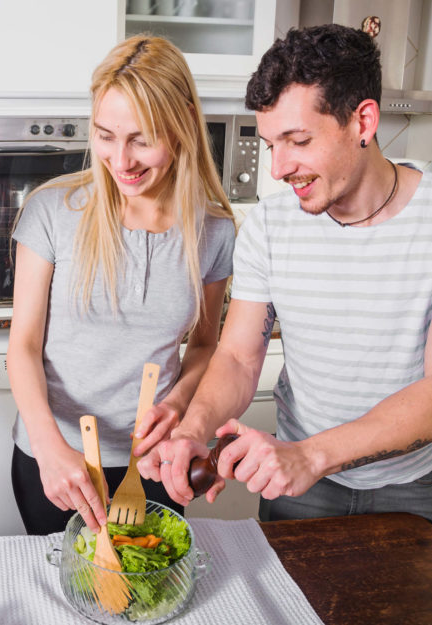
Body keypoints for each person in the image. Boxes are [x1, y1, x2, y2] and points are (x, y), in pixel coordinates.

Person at [138, 24, 432, 522]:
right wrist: (192, 430)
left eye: (297, 141)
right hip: (298, 489)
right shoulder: (271, 226)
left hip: (414, 486)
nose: (278, 169)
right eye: (271, 144)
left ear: (363, 121)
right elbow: (236, 357)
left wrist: (311, 455)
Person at [7, 35, 235, 535]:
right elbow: (21, 347)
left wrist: (177, 406)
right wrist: (48, 448)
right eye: (105, 135)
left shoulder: (214, 232)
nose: (121, 159)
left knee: (146, 597)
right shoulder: (53, 211)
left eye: (141, 139)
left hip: (153, 464)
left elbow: (204, 346)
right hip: (57, 457)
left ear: (182, 127)